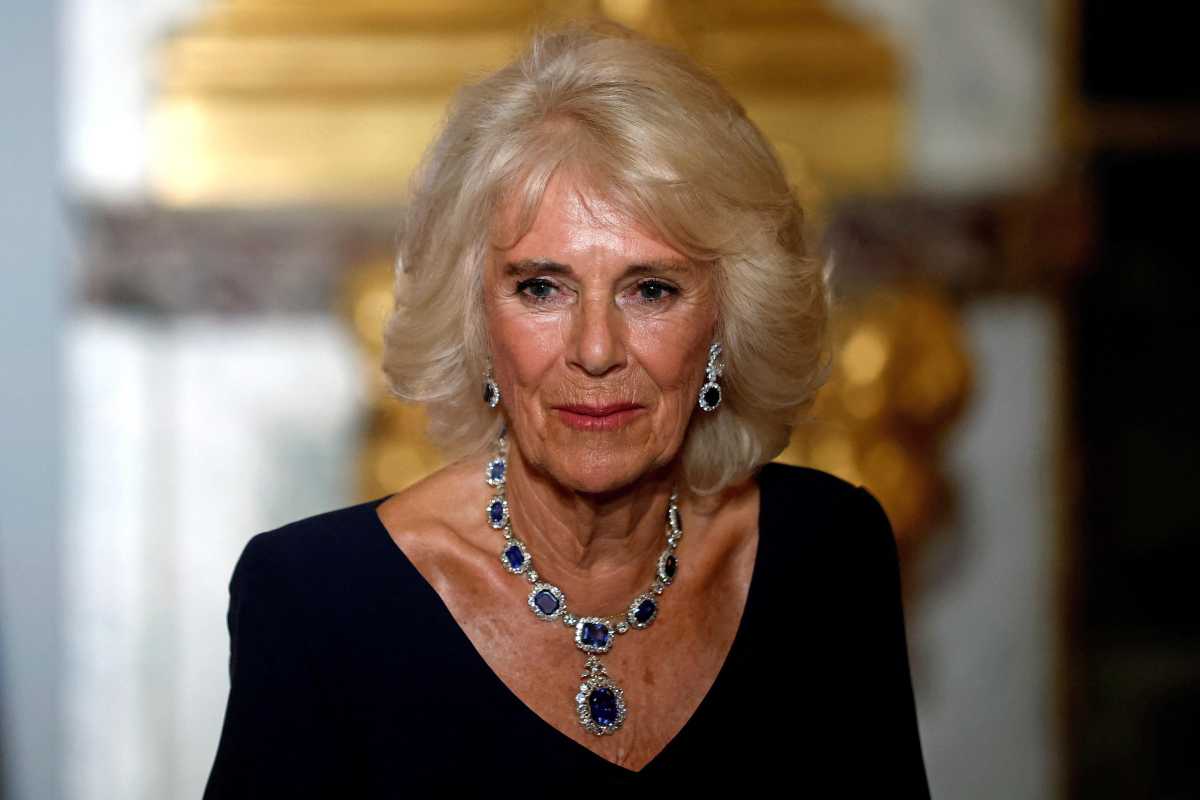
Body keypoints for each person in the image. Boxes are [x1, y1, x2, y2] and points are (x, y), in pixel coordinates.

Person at [203, 21, 930, 796]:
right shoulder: (316, 602)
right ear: (478, 319)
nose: (595, 349)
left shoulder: (829, 555)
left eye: (651, 289)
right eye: (542, 288)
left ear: (725, 323)